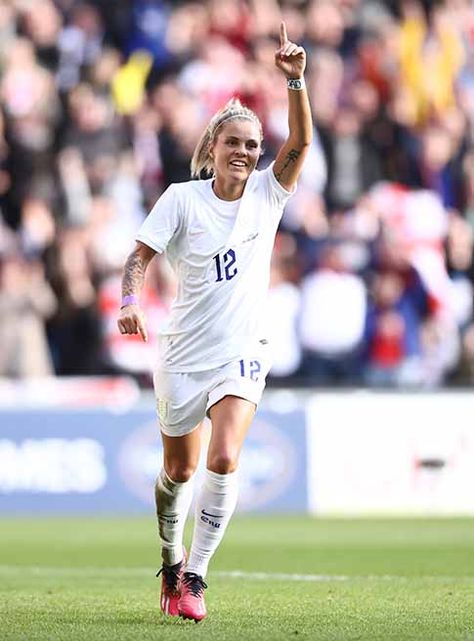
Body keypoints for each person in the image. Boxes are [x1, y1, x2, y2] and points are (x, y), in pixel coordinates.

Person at [117, 22, 312, 622]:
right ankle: (171, 559)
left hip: (243, 347)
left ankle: (196, 577)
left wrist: (296, 82)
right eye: (234, 142)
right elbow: (139, 256)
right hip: (183, 352)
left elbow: (299, 147)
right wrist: (129, 300)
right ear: (212, 147)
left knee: (223, 458)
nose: (246, 152)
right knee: (179, 470)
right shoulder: (180, 198)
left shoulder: (267, 194)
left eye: (253, 144)